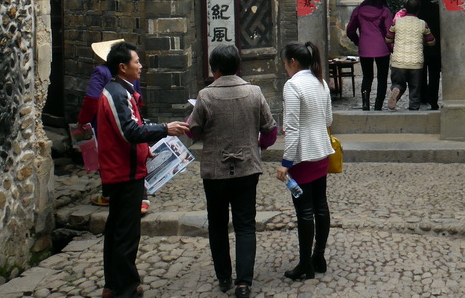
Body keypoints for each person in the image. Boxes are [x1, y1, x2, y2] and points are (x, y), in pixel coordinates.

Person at [96, 41, 188, 298]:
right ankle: (125, 288)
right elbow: (129, 132)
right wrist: (163, 129)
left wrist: (146, 147)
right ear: (123, 67)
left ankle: (114, 285)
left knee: (118, 232)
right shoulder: (115, 93)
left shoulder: (122, 91)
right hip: (123, 173)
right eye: (137, 62)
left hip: (127, 170)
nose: (141, 66)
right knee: (125, 235)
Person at [187, 45, 277, 298]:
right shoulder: (254, 92)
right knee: (245, 225)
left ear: (214, 69)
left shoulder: (205, 96)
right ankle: (244, 282)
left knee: (217, 224)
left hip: (215, 171)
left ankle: (224, 277)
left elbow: (193, 130)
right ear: (239, 66)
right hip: (247, 168)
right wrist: (258, 145)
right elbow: (270, 129)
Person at [276, 41, 334, 281]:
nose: (285, 69)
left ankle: (304, 264)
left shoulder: (293, 85)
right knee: (321, 206)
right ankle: (318, 256)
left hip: (302, 157)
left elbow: (292, 129)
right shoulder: (320, 81)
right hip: (321, 152)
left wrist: (285, 163)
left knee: (304, 212)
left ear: (292, 62)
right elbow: (328, 118)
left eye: (285, 64)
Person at [77, 39, 149, 213]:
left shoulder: (100, 72)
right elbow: (138, 97)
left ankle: (110, 195)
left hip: (104, 122)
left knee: (108, 156)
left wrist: (82, 121)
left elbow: (92, 99)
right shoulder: (130, 75)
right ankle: (141, 198)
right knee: (130, 154)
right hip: (130, 117)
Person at [344, 0, 393, 111]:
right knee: (382, 78)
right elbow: (389, 32)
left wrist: (358, 41)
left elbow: (350, 30)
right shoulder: (385, 11)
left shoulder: (358, 10)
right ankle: (378, 105)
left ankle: (365, 103)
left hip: (365, 47)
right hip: (382, 49)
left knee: (367, 76)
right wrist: (391, 47)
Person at [384, 0, 435, 111]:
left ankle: (396, 89)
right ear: (418, 10)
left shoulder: (397, 21)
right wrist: (423, 42)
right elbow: (431, 41)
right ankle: (413, 108)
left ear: (405, 9)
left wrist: (396, 42)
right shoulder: (422, 24)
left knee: (398, 83)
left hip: (398, 62)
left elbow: (388, 39)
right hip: (416, 63)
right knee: (415, 89)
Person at [411, 0, 441, 109]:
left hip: (418, 47)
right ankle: (433, 99)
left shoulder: (413, 9)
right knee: (434, 74)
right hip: (434, 45)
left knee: (420, 73)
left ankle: (422, 97)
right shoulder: (435, 7)